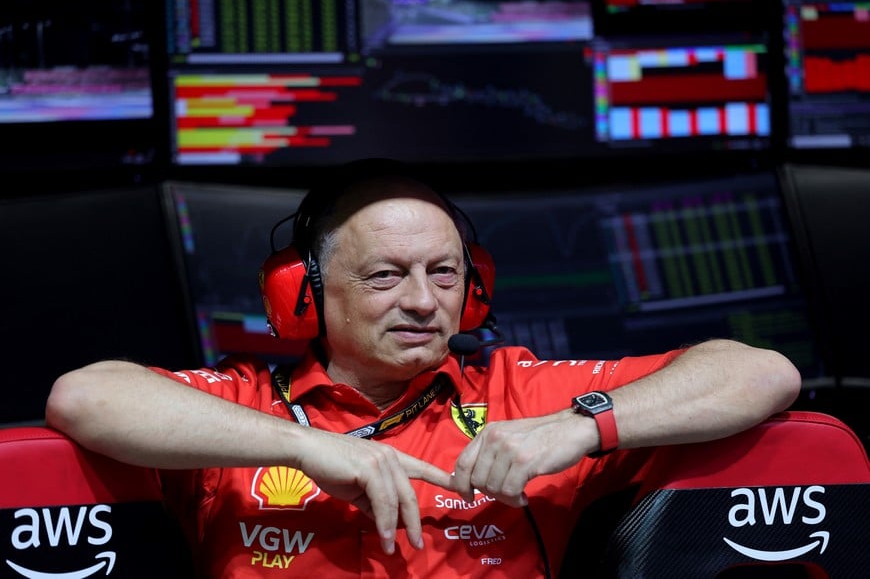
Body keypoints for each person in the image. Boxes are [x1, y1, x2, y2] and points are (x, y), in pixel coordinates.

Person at [45, 158, 802, 578]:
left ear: (476, 291)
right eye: (384, 276)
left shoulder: (520, 391)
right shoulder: (241, 403)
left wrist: (580, 427)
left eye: (445, 274)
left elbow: (758, 372)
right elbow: (85, 396)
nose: (421, 302)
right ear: (301, 295)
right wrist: (304, 445)